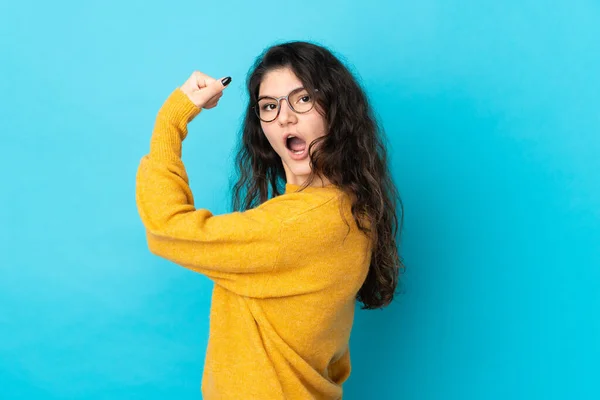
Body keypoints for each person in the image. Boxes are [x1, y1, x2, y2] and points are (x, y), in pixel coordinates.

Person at [135, 40, 405, 399]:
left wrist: (171, 120)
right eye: (269, 106)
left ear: (336, 110)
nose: (285, 117)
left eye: (303, 99)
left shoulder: (302, 222)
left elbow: (166, 227)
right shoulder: (348, 210)